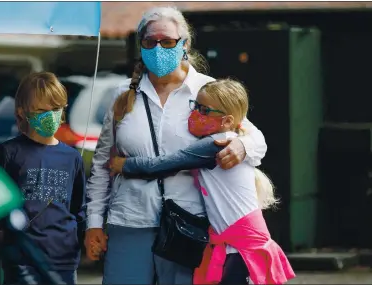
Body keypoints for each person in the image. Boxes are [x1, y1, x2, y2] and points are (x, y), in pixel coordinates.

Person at [84, 6, 267, 285]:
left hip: (189, 223)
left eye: (168, 41)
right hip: (130, 220)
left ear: (185, 44)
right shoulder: (122, 95)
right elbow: (101, 165)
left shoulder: (209, 91)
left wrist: (242, 147)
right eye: (150, 41)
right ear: (141, 45)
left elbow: (256, 140)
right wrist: (94, 222)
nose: (159, 48)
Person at [108, 79, 295, 285]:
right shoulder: (229, 138)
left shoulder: (215, 144)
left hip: (241, 247)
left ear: (227, 120)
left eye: (204, 110)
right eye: (195, 106)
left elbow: (163, 164)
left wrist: (124, 165)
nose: (195, 114)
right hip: (236, 243)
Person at [0, 72, 85, 285]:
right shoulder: (10, 152)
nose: (50, 115)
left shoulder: (72, 157)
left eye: (55, 109)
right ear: (23, 113)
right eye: (41, 110)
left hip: (63, 256)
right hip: (21, 256)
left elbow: (79, 207)